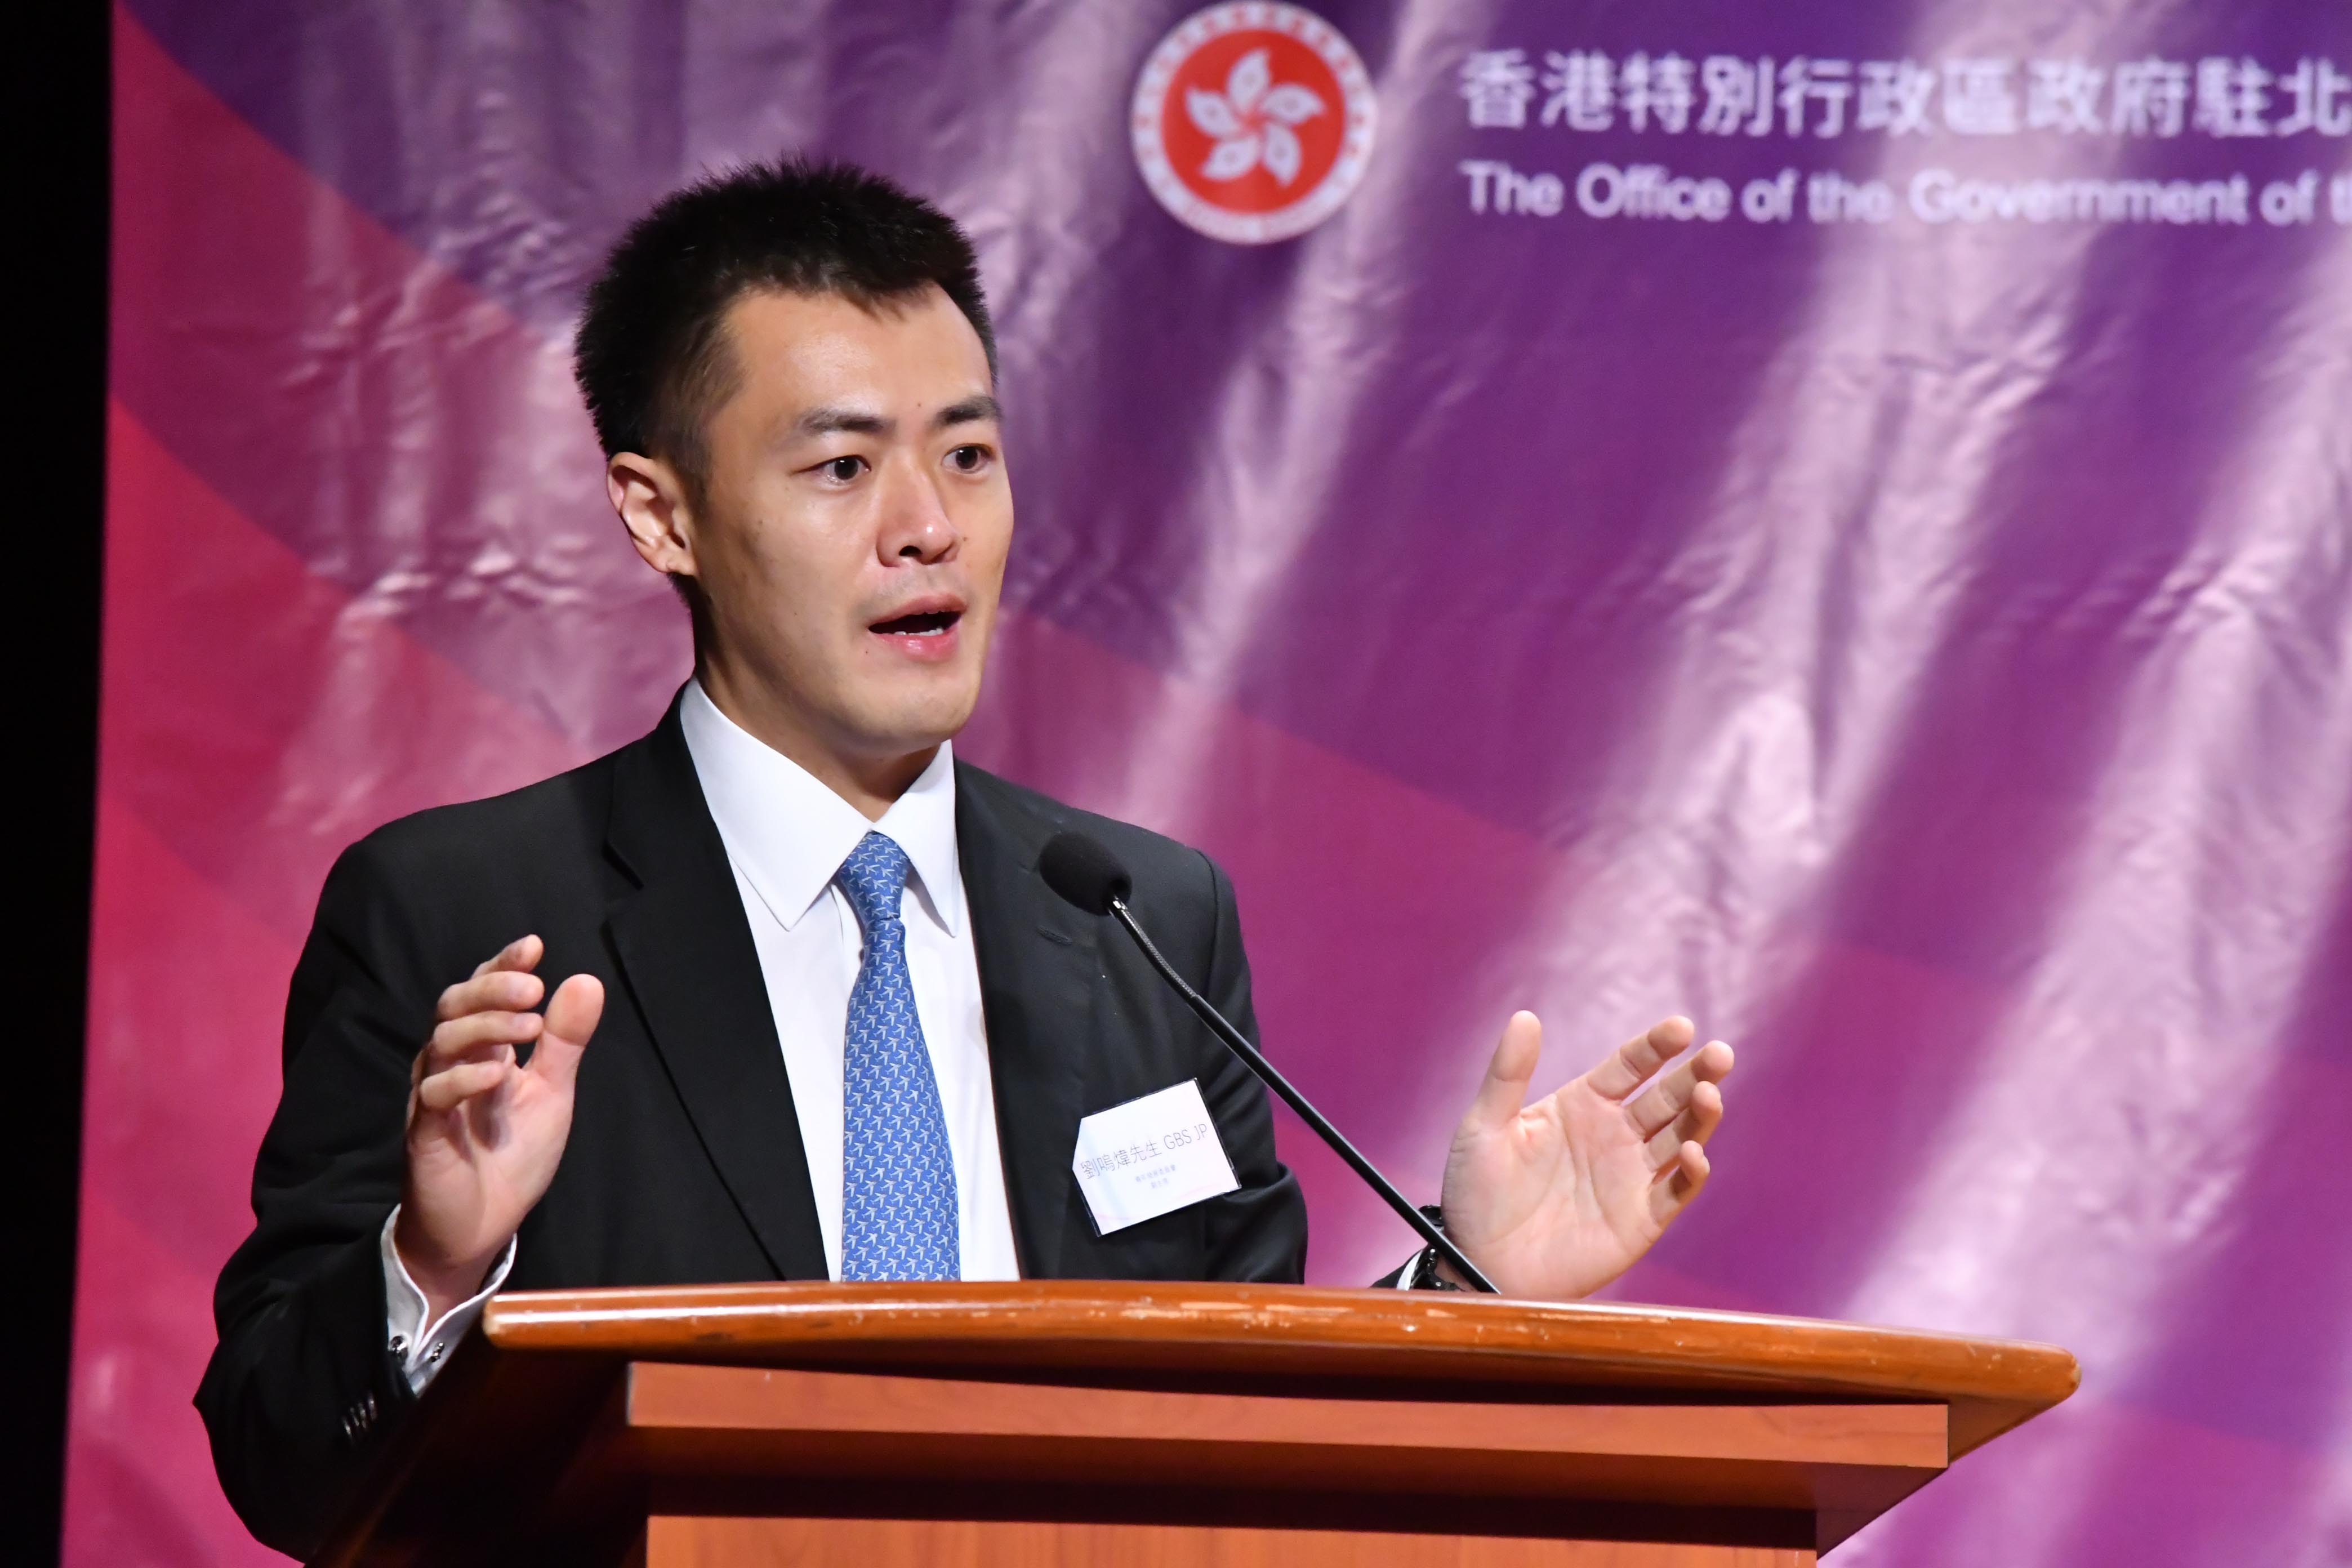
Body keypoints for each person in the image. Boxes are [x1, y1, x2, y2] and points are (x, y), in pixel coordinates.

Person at [195, 159, 1736, 1554]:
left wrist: (1463, 1286)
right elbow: (283, 1466)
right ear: (661, 516)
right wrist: (435, 1261)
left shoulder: (1142, 918)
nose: (928, 526)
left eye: (971, 454)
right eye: (842, 468)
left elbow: (1249, 1426)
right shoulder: (467, 914)